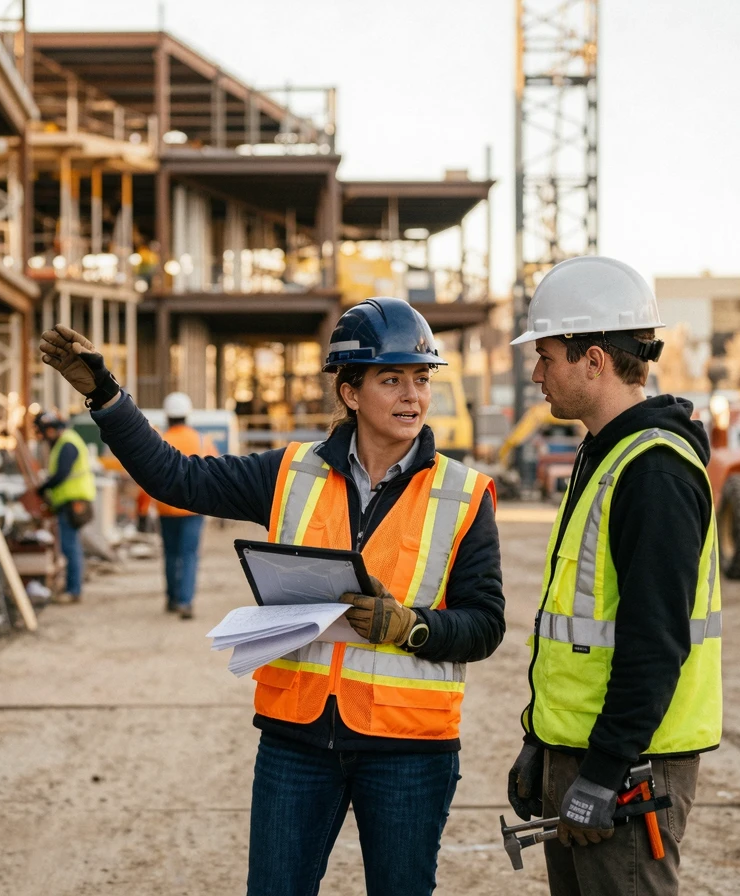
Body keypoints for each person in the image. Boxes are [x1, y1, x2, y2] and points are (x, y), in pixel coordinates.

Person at [41, 297, 505, 896]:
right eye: (391, 379)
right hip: (297, 741)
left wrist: (409, 626)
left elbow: (484, 623)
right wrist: (107, 398)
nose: (412, 395)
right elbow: (176, 477)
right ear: (350, 392)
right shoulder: (290, 472)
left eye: (421, 378)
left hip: (409, 750)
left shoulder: (464, 494)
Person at [505, 256, 722, 896]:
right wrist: (541, 742)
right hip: (586, 754)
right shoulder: (605, 454)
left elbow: (655, 641)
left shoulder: (653, 471)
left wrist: (602, 772)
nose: (537, 374)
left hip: (628, 769)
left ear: (594, 360)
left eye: (546, 357)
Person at [147, 391, 220, 619]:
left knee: (170, 554)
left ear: (167, 416)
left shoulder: (159, 439)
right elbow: (217, 472)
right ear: (188, 415)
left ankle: (172, 598)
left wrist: (141, 509)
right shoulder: (202, 440)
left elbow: (146, 476)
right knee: (189, 555)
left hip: (166, 508)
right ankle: (185, 602)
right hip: (193, 508)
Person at [35, 411, 96, 603]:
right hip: (70, 501)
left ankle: (73, 590)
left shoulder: (67, 443)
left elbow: (62, 474)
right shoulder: (65, 441)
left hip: (73, 501)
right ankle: (72, 587)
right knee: (71, 545)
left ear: (51, 430)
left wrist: (43, 487)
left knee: (70, 547)